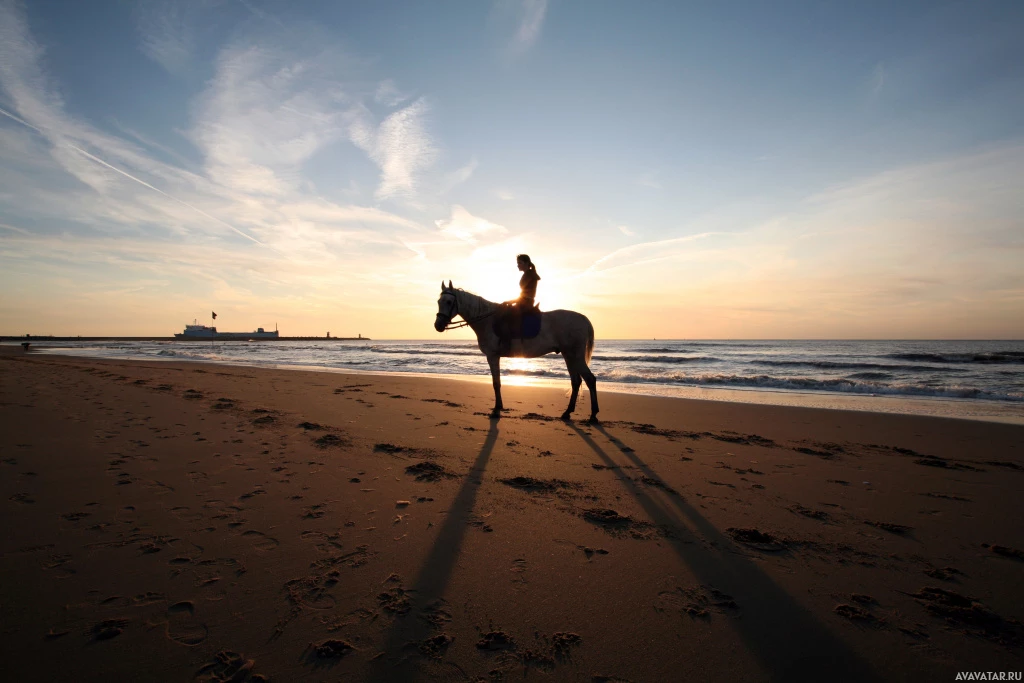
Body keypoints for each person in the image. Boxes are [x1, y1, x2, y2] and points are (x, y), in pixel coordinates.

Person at [497, 254, 541, 355]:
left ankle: (507, 345)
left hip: (526, 303)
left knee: (504, 315)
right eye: (517, 263)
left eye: (520, 263)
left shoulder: (530, 275)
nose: (518, 265)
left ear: (526, 263)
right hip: (523, 301)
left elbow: (526, 295)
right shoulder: (527, 274)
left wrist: (511, 301)